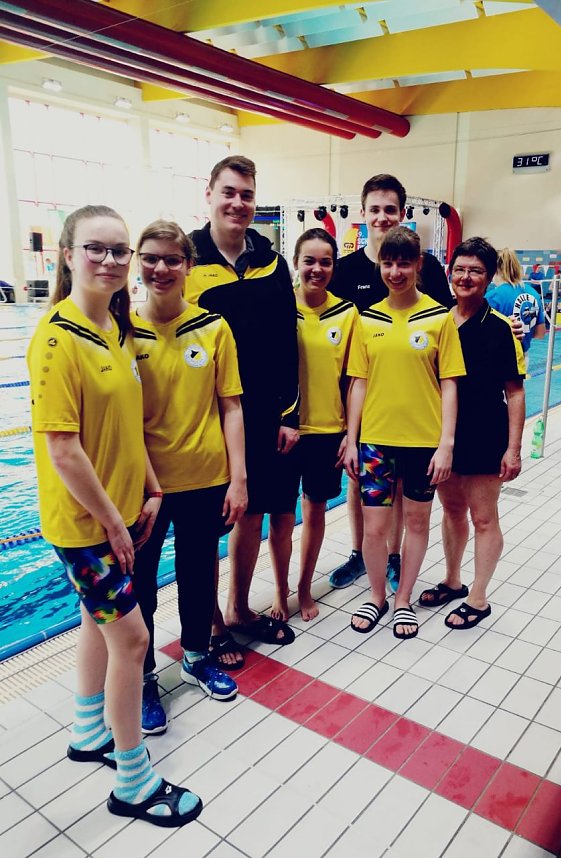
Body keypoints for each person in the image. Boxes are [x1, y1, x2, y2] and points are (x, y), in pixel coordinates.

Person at [27, 205, 202, 826]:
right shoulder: (57, 339)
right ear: (68, 255)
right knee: (132, 640)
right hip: (86, 525)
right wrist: (111, 523)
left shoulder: (112, 330)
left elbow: (127, 426)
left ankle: (86, 730)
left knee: (94, 621)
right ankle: (133, 780)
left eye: (119, 250)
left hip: (124, 510)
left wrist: (151, 490)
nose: (111, 260)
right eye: (96, 249)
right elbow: (62, 450)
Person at [130, 220, 247, 736]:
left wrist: (238, 477)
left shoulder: (213, 328)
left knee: (199, 574)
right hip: (144, 487)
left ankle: (197, 656)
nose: (161, 268)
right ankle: (144, 679)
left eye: (172, 259)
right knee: (143, 589)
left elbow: (231, 407)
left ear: (188, 266)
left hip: (205, 477)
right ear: (137, 261)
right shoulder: (122, 332)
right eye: (151, 258)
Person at [185, 155, 299, 663]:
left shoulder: (272, 261)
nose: (237, 203)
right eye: (228, 192)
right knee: (210, 524)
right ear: (208, 193)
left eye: (247, 195)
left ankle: (237, 609)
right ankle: (209, 625)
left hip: (264, 416)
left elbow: (287, 339)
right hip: (209, 418)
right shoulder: (185, 259)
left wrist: (290, 414)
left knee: (251, 517)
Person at [328, 174, 453, 594]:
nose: (382, 217)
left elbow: (449, 321)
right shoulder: (344, 271)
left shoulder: (428, 267)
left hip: (411, 399)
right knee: (358, 483)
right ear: (363, 214)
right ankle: (360, 552)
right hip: (360, 389)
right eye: (375, 209)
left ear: (402, 214)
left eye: (390, 210)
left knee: (402, 489)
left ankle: (394, 556)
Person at [344, 227, 465, 639]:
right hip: (376, 440)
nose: (395, 271)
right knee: (373, 529)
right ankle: (377, 596)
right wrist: (352, 437)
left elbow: (449, 383)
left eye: (403, 262)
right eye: (388, 263)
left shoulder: (438, 317)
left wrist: (446, 444)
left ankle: (403, 600)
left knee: (416, 524)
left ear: (418, 264)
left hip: (423, 442)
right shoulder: (368, 318)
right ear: (380, 265)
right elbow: (358, 381)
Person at [419, 237, 526, 629]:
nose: (466, 277)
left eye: (475, 271)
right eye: (460, 269)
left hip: (484, 436)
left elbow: (514, 392)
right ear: (450, 274)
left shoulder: (499, 329)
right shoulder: (436, 321)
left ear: (489, 278)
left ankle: (479, 599)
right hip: (443, 436)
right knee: (450, 510)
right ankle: (452, 580)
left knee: (484, 518)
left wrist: (513, 449)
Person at [270, 228, 358, 621]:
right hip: (285, 431)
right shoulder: (279, 306)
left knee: (316, 512)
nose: (317, 269)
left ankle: (305, 588)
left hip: (327, 432)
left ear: (334, 266)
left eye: (325, 262)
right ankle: (280, 590)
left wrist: (350, 436)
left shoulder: (347, 313)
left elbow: (356, 380)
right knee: (282, 518)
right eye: (309, 260)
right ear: (296, 263)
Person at [486, 248, 545, 370]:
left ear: (494, 270)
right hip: (523, 358)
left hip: (496, 360)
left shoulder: (493, 297)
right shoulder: (533, 293)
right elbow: (540, 333)